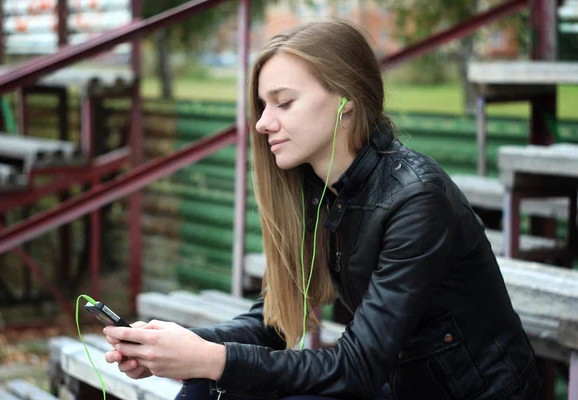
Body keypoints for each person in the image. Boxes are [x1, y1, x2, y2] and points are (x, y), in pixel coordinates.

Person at [104, 19, 542, 399]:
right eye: (262, 105)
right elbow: (277, 321)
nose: (261, 123)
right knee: (213, 383)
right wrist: (174, 347)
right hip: (402, 386)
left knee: (222, 377)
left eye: (284, 102)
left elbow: (359, 368)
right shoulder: (321, 189)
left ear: (345, 99)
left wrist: (210, 358)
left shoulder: (416, 199)